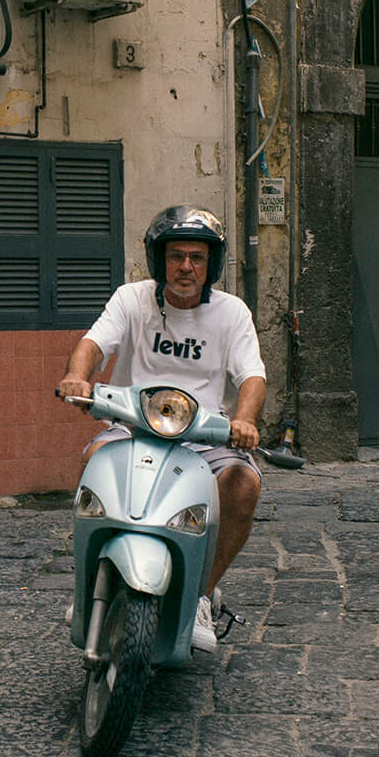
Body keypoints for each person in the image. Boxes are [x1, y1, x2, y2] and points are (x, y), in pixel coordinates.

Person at [56, 204, 265, 655]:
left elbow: (252, 376)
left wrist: (244, 420)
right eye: (175, 256)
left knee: (243, 484)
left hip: (204, 435)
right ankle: (90, 588)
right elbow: (94, 343)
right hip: (132, 425)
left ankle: (202, 597)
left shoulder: (232, 314)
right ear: (158, 260)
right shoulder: (132, 299)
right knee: (93, 461)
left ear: (211, 264)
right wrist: (79, 376)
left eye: (197, 257)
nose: (186, 267)